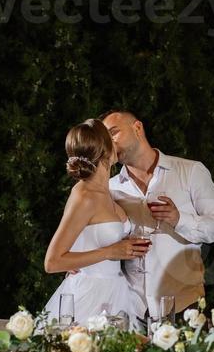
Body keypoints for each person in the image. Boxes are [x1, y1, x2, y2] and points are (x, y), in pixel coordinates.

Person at [101, 109, 214, 319]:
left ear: (137, 128)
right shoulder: (109, 187)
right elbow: (95, 239)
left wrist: (179, 219)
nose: (110, 144)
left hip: (183, 308)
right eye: (104, 140)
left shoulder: (190, 172)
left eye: (114, 133)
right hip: (129, 309)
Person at [43, 118, 147, 328]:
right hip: (90, 296)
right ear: (105, 149)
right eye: (111, 137)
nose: (116, 142)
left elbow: (88, 238)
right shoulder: (85, 195)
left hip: (117, 292)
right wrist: (110, 251)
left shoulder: (107, 192)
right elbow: (52, 262)